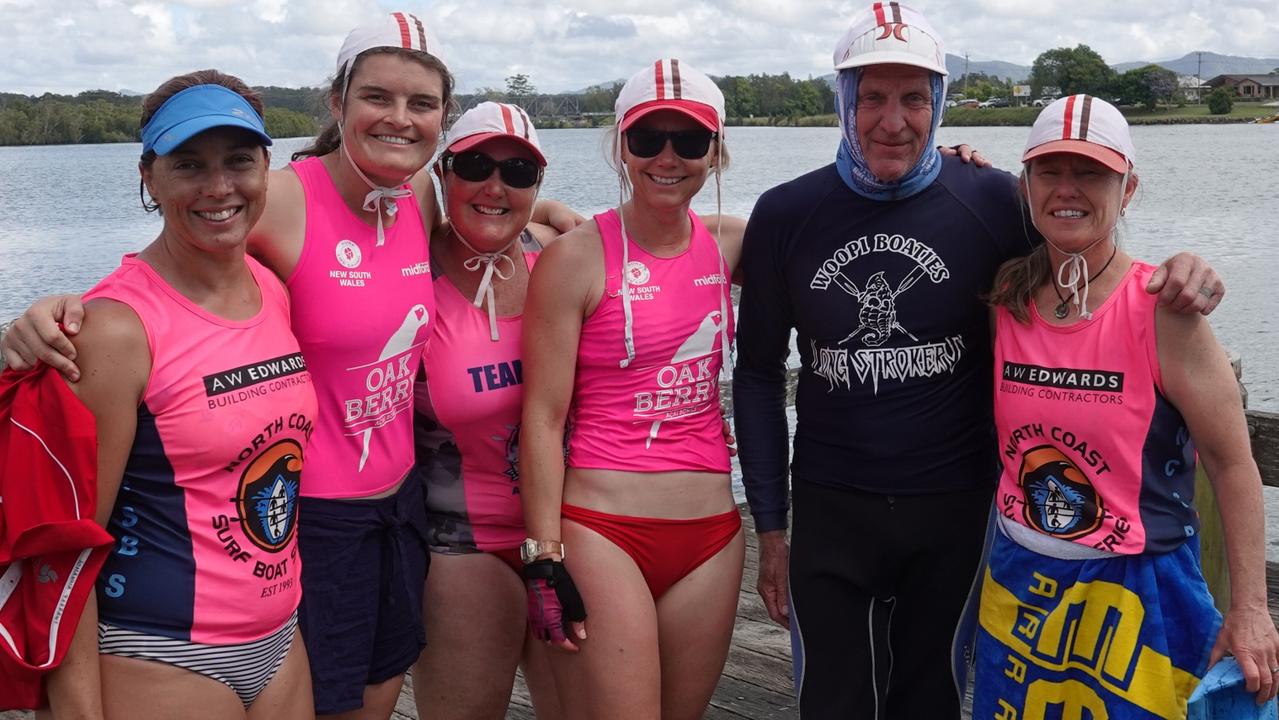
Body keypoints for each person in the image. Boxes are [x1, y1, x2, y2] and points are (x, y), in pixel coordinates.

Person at [0, 13, 581, 719]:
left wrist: (551, 213)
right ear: (336, 103)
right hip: (301, 522)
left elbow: (489, 205)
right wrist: (52, 315)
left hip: (399, 511)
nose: (398, 119)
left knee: (376, 692)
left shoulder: (422, 195)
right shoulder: (281, 195)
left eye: (420, 104)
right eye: (376, 97)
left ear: (440, 121)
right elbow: (177, 260)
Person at [731, 4, 1226, 719]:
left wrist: (1183, 268)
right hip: (831, 505)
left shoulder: (992, 200)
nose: (892, 121)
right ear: (843, 101)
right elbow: (753, 375)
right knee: (830, 699)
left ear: (938, 104)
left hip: (956, 510)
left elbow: (1084, 237)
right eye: (871, 97)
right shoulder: (785, 213)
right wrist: (770, 527)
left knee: (931, 695)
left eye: (912, 98)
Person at [978, 95, 1279, 716]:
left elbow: (1231, 462)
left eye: (1090, 172)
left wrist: (1251, 609)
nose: (1068, 189)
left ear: (1128, 188)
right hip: (1019, 581)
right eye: (1050, 171)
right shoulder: (1006, 300)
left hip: (1141, 592)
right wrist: (960, 161)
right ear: (1026, 185)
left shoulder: (1164, 310)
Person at [39, 70, 317, 719]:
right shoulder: (116, 328)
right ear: (149, 178)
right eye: (189, 165)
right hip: (156, 652)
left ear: (266, 169)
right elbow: (65, 547)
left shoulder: (271, 285)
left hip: (279, 640)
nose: (218, 188)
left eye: (238, 162)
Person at [519, 59, 746, 719]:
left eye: (690, 141)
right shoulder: (576, 257)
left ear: (716, 151)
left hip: (711, 532)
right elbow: (541, 416)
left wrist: (958, 169)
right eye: (647, 140)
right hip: (602, 528)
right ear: (620, 145)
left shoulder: (733, 241)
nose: (667, 158)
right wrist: (542, 554)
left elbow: (839, 232)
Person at [409, 101, 563, 720]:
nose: (496, 186)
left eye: (519, 173)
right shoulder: (404, 270)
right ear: (444, 174)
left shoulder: (562, 256)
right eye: (475, 165)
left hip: (567, 533)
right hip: (459, 547)